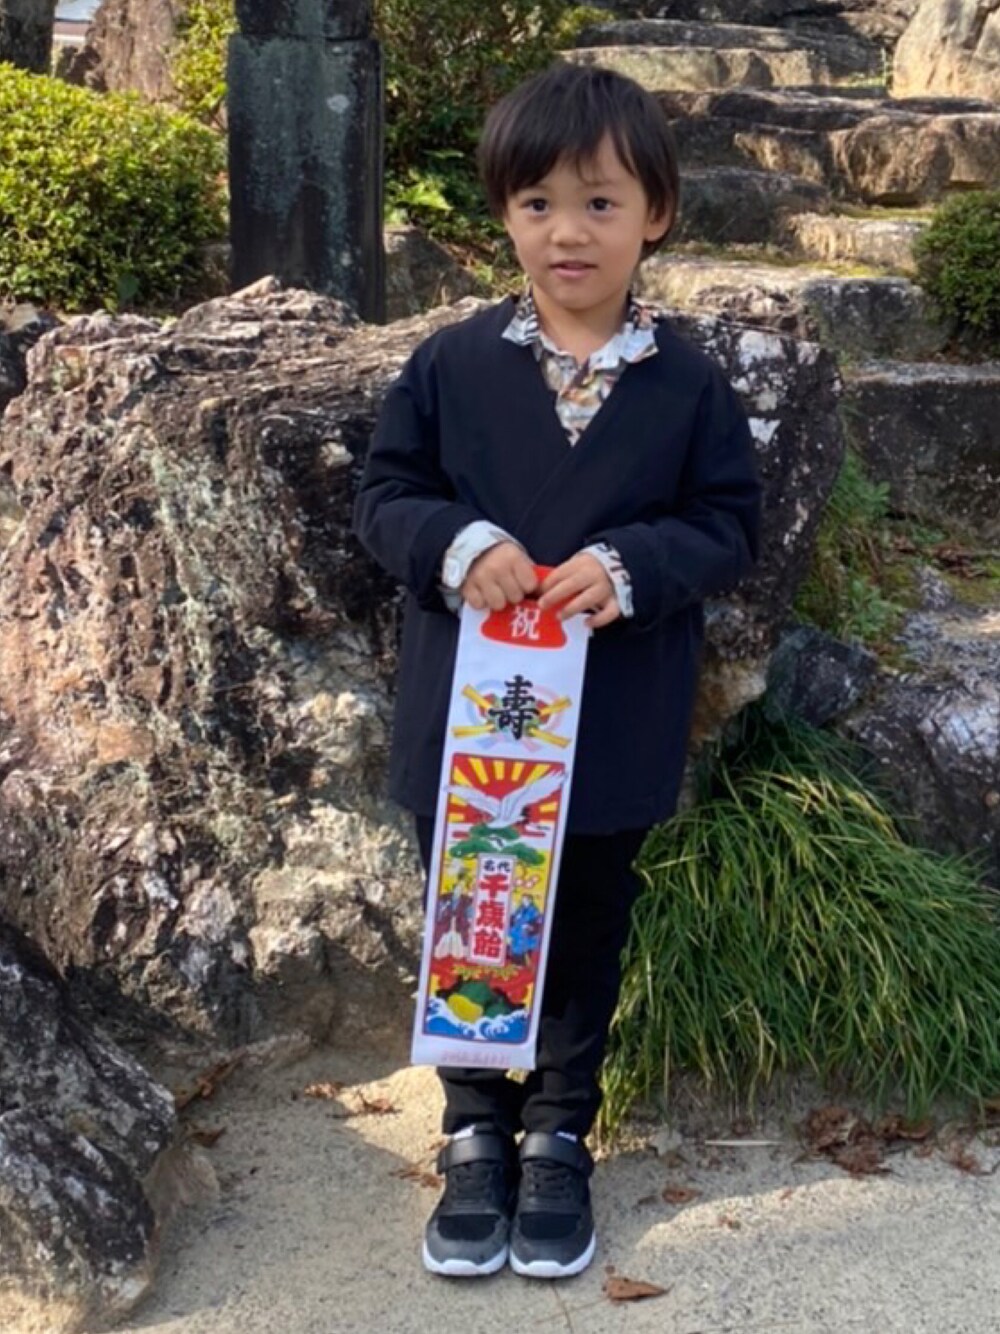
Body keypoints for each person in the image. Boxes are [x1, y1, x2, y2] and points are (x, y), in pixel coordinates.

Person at [353, 61, 763, 1281]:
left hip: (611, 709)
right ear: (503, 214)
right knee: (474, 909)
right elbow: (385, 494)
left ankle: (558, 1133)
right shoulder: (450, 365)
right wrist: (456, 542)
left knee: (585, 920)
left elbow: (727, 522)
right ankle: (476, 1129)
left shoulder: (687, 384)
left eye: (598, 202)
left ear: (656, 214)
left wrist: (632, 565)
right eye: (537, 203)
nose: (566, 232)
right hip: (473, 717)